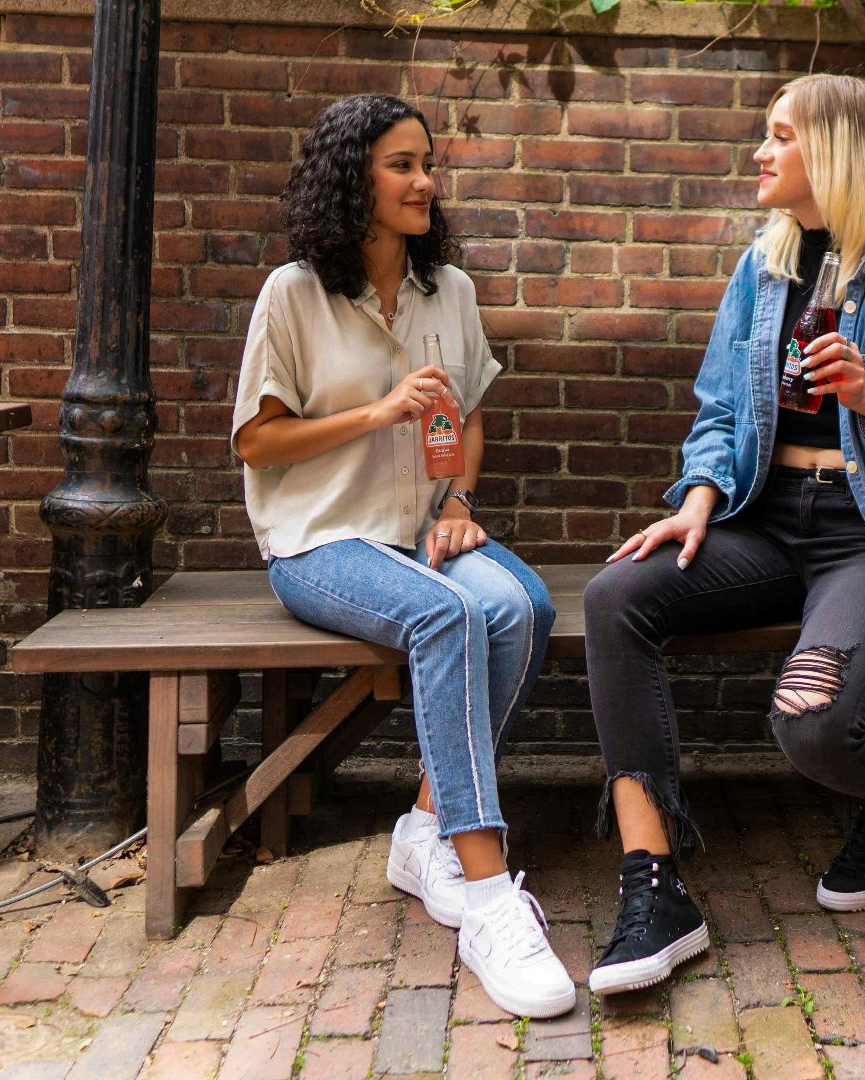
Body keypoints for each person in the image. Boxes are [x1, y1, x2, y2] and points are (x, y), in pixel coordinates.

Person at [581, 74, 865, 996]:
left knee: (812, 726)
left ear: (838, 153)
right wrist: (700, 490)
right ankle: (654, 881)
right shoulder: (764, 265)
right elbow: (717, 408)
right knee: (616, 595)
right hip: (765, 521)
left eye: (780, 135)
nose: (760, 152)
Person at [231, 94, 572, 1018]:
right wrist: (378, 413)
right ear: (354, 178)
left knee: (524, 605)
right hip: (320, 541)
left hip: (423, 533)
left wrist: (459, 500)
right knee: (451, 611)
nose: (425, 181)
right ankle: (490, 890)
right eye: (401, 165)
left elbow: (474, 414)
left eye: (428, 162)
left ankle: (424, 825)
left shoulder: (448, 290)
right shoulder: (293, 293)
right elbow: (258, 444)